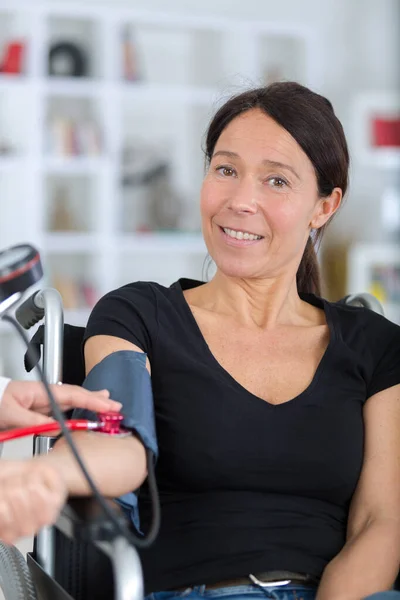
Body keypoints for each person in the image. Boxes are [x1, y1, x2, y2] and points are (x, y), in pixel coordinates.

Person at [4, 81, 400, 600]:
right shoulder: (139, 313)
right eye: (226, 169)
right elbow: (116, 439)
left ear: (324, 206)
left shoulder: (376, 345)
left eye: (276, 181)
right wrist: (50, 476)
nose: (240, 201)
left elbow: (382, 522)